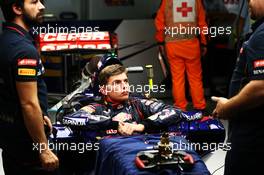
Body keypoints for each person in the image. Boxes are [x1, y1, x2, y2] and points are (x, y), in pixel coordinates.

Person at [0, 0, 59, 174]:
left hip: (10, 142)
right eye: (34, 2)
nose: (41, 6)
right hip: (28, 146)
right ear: (17, 8)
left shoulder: (5, 40)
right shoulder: (23, 49)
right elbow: (29, 104)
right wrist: (44, 149)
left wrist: (40, 115)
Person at [63, 64, 202, 135]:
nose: (124, 86)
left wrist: (141, 126)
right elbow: (72, 118)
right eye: (117, 83)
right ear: (104, 89)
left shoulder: (137, 103)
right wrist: (113, 124)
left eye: (126, 81)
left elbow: (174, 111)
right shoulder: (95, 107)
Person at [212, 0, 264, 174]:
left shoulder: (262, 34)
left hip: (253, 135)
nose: (248, 2)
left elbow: (261, 87)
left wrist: (228, 108)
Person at [155, 0, 208, 112]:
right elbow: (202, 22)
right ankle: (199, 106)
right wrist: (204, 42)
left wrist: (160, 41)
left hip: (173, 45)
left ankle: (180, 107)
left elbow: (160, 22)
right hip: (191, 45)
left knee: (177, 78)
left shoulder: (167, 1)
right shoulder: (196, 1)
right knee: (195, 78)